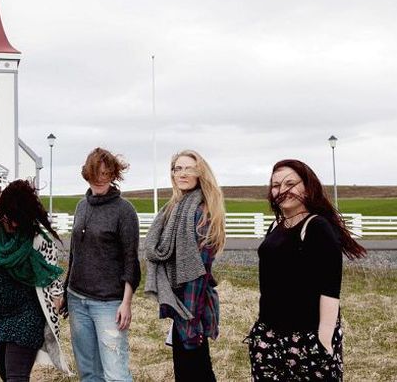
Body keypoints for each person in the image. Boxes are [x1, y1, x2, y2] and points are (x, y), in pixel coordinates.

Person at [246, 159, 367, 381]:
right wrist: (261, 335)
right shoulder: (276, 226)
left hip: (306, 338)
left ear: (307, 185)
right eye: (275, 185)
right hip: (269, 335)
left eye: (290, 183)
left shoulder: (317, 227)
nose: (282, 190)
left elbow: (330, 289)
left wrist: (324, 339)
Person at [0, 179, 72, 381]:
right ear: (2, 213)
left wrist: (56, 297)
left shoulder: (36, 239)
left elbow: (51, 272)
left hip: (27, 314)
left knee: (16, 376)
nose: (16, 224)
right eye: (11, 219)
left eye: (20, 219)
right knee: (4, 370)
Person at [59, 147, 140, 381]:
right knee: (88, 372)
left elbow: (130, 261)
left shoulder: (124, 211)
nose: (100, 180)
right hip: (77, 300)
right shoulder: (81, 207)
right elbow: (75, 254)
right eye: (96, 175)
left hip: (109, 304)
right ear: (87, 174)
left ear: (113, 175)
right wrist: (66, 291)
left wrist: (126, 303)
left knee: (115, 373)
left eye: (105, 174)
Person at [145, 150, 225, 381]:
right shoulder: (175, 208)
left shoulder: (201, 212)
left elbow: (199, 272)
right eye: (177, 168)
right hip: (180, 302)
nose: (182, 173)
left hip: (192, 306)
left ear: (200, 172)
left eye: (188, 168)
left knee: (196, 372)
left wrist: (190, 321)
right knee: (189, 371)